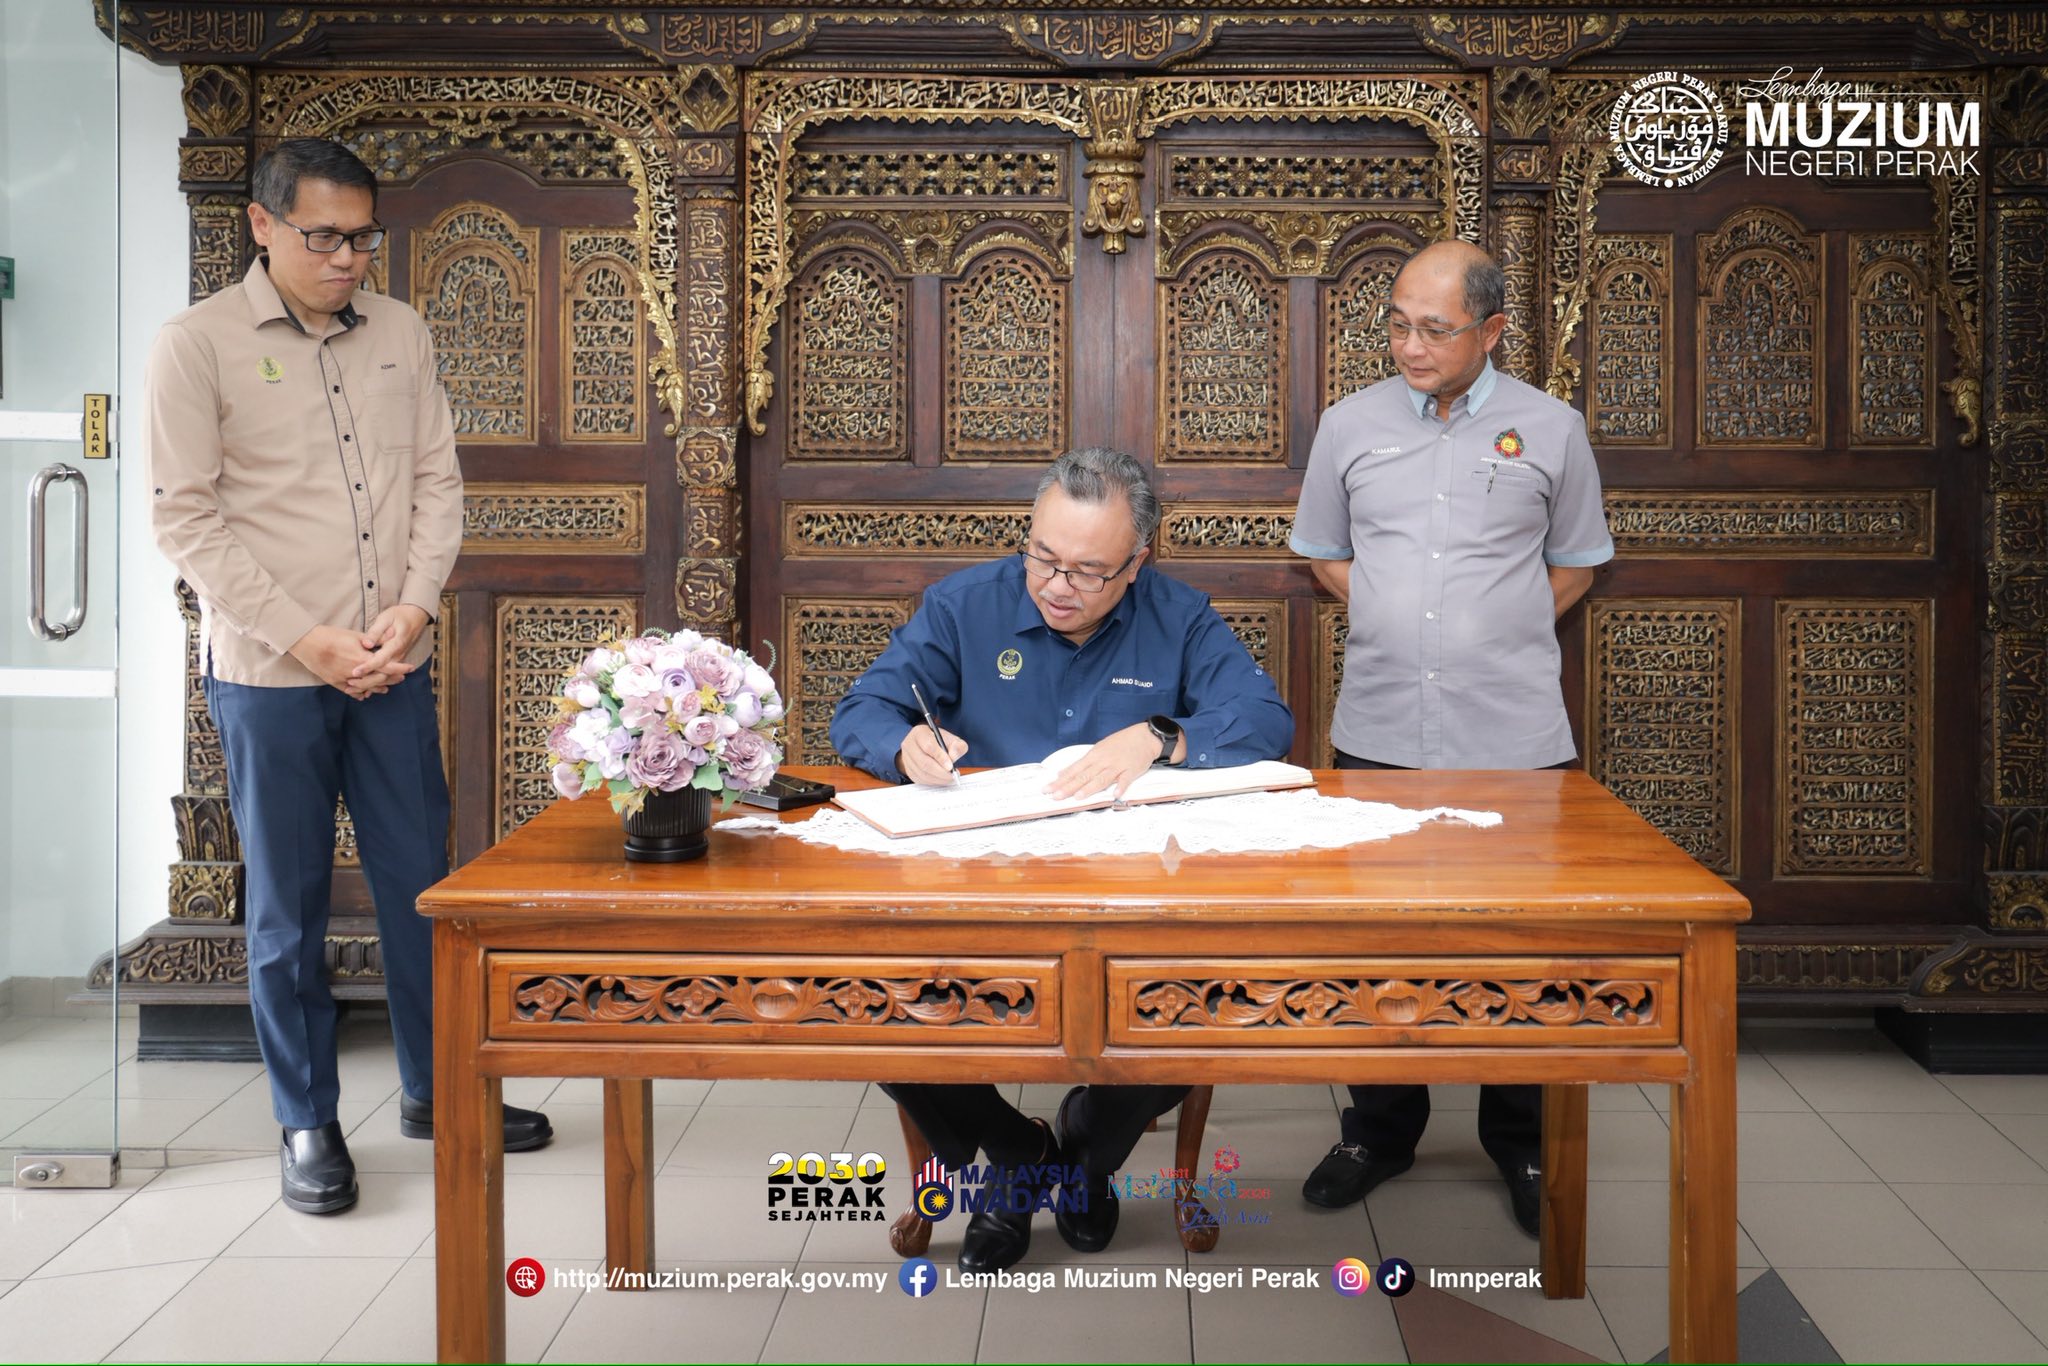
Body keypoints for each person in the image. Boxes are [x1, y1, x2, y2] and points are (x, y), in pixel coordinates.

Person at [145, 139, 551, 1216]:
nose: (345, 259)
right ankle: (307, 1120)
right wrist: (305, 638)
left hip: (392, 663)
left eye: (362, 238)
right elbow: (185, 519)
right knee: (288, 908)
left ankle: (439, 1088)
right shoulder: (196, 345)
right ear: (263, 224)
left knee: (422, 884)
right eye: (322, 236)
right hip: (270, 676)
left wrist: (413, 608)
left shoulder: (401, 332)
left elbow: (436, 481)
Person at [831, 446, 1294, 1271]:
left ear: (1136, 563)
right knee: (866, 998)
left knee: (1204, 1003)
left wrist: (1161, 736)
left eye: (1087, 571)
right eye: (1043, 557)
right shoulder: (963, 606)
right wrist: (902, 746)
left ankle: (1086, 1156)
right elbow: (863, 707)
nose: (1056, 586)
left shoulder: (1179, 616)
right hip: (980, 888)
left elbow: (1266, 719)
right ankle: (1019, 1154)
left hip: (1132, 896)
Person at [1288, 240, 1614, 1236]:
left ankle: (1519, 1138)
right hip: (1380, 725)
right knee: (1378, 938)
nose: (1409, 344)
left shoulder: (1552, 430)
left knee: (1519, 941)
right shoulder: (1349, 425)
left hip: (1512, 737)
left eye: (1434, 328)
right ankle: (1380, 1130)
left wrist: (1494, 633)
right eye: (1397, 323)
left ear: (1491, 330)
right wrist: (1402, 619)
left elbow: (1575, 563)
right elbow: (1324, 553)